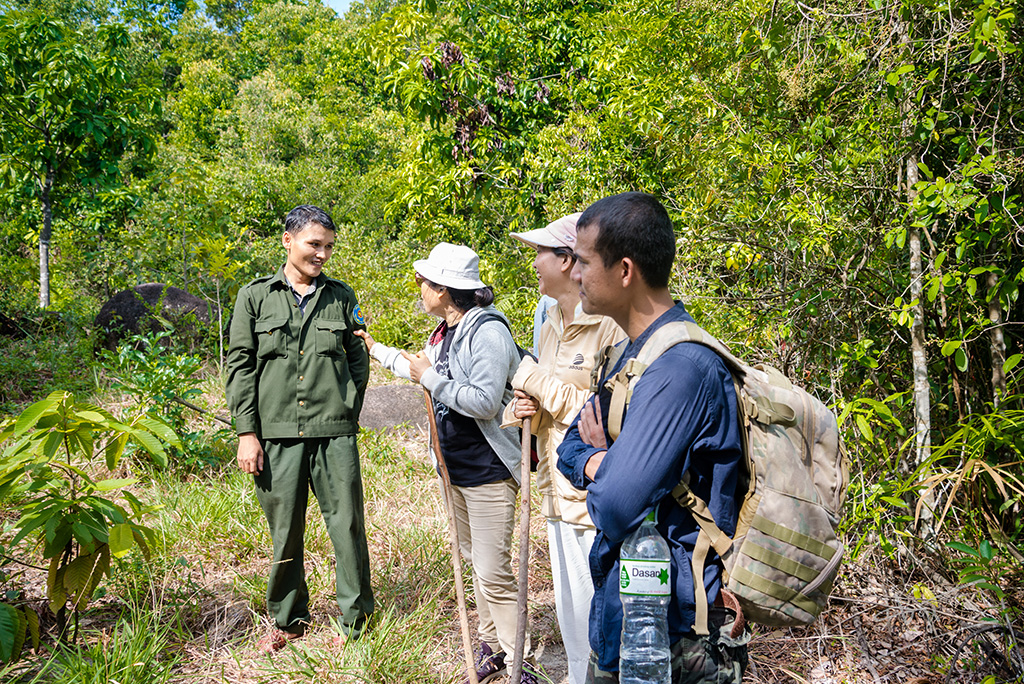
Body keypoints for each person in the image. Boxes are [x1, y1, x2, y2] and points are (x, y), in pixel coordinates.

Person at [555, 193, 749, 683]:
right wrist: (604, 462)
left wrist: (605, 461)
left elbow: (617, 507)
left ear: (624, 271)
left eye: (582, 261)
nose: (574, 274)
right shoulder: (631, 356)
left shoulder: (680, 369)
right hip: (631, 618)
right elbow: (569, 448)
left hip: (676, 639)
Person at [354, 242, 541, 684]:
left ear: (445, 290)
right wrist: (377, 348)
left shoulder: (487, 332)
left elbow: (480, 399)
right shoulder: (444, 332)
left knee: (493, 569)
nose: (419, 287)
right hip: (453, 468)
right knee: (474, 560)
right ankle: (492, 645)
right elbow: (421, 369)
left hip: (489, 470)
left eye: (425, 281)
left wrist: (429, 377)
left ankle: (521, 661)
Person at [225, 205, 374, 653]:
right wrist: (246, 433)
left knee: (347, 526)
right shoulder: (254, 297)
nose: (322, 254)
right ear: (288, 241)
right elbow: (240, 366)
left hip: (335, 435)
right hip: (275, 437)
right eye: (314, 244)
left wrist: (347, 408)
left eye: (329, 246)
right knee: (284, 530)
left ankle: (356, 623)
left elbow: (357, 360)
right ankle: (289, 620)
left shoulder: (342, 297)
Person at [502, 214, 626, 684]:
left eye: (540, 253)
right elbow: (554, 401)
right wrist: (526, 403)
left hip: (589, 499)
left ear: (568, 260)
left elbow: (604, 416)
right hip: (553, 489)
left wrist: (534, 379)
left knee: (597, 617)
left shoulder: (608, 327)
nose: (533, 262)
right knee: (570, 616)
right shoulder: (550, 317)